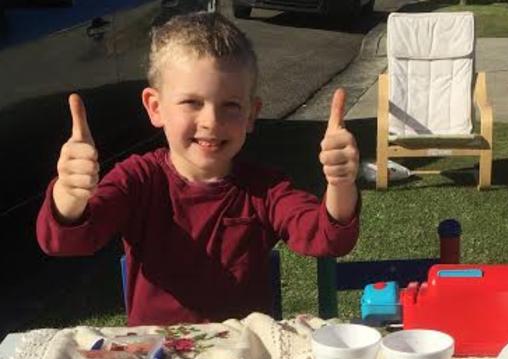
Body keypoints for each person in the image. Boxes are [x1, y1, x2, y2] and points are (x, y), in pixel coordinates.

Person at [36, 12, 360, 326]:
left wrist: (341, 184)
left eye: (230, 106)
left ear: (251, 114)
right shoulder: (137, 180)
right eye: (192, 103)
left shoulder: (265, 189)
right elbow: (67, 241)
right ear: (155, 106)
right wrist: (69, 194)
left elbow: (328, 238)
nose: (211, 122)